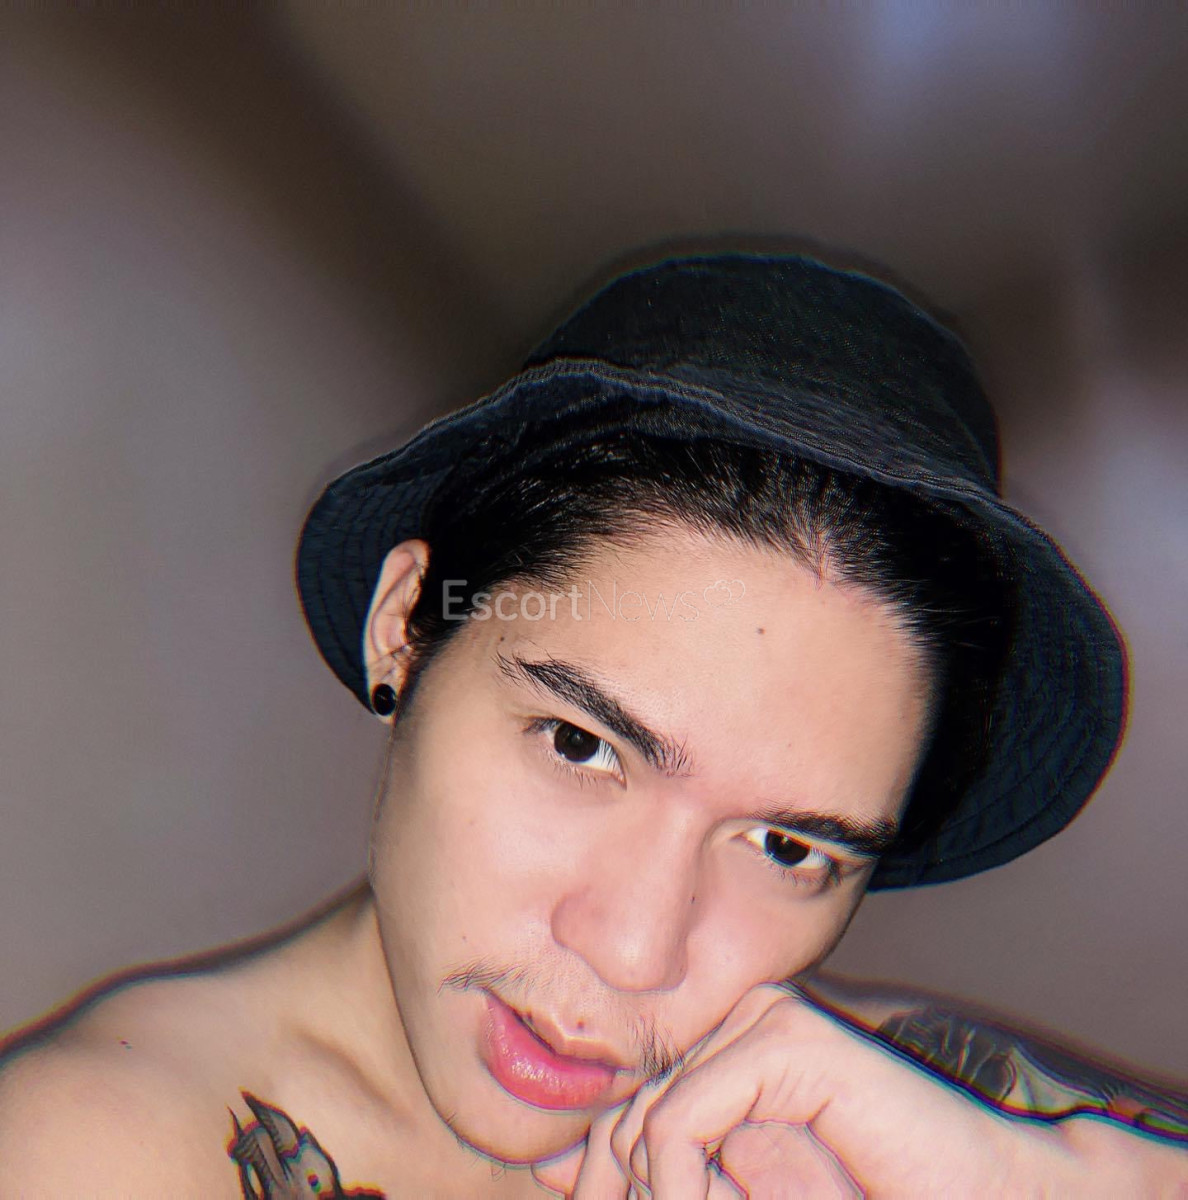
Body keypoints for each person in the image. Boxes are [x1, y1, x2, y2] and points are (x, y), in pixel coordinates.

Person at [1, 250, 1185, 1198]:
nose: (632, 952)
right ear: (405, 627)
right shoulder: (95, 1153)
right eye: (582, 745)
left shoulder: (905, 1109)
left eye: (787, 848)